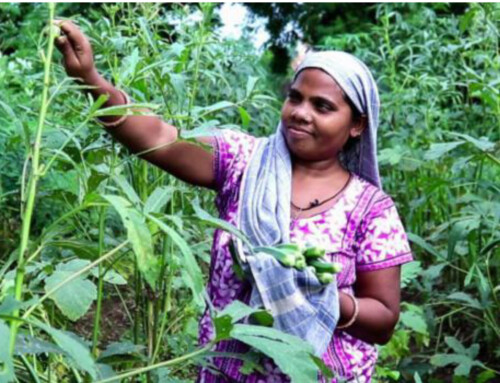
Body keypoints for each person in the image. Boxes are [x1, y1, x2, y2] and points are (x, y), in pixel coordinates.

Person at [55, 20, 413, 383]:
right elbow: (160, 137)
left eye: (322, 106)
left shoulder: (371, 209)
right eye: (295, 97)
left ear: (356, 125)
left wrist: (322, 295)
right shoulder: (244, 162)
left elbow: (383, 320)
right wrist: (89, 78)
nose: (300, 113)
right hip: (230, 372)